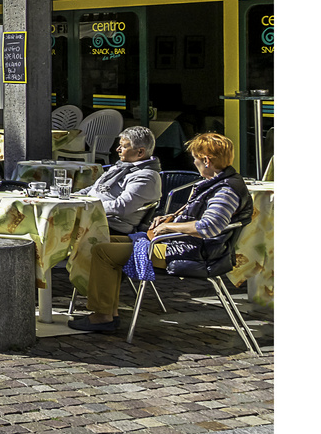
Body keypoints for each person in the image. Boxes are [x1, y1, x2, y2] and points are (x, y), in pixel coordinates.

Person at [72, 131, 250, 333]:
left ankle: (102, 316)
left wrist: (169, 227)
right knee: (101, 241)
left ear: (207, 161)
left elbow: (209, 227)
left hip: (190, 252)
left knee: (103, 252)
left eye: (196, 160)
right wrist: (172, 217)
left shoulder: (225, 190)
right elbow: (199, 217)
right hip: (183, 245)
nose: (195, 164)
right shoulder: (219, 183)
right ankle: (107, 312)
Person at [86, 126, 163, 235]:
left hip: (110, 225)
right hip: (92, 214)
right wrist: (71, 197)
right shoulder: (121, 167)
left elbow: (121, 207)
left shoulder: (147, 177)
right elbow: (95, 187)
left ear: (140, 152)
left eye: (123, 146)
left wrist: (86, 205)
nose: (118, 149)